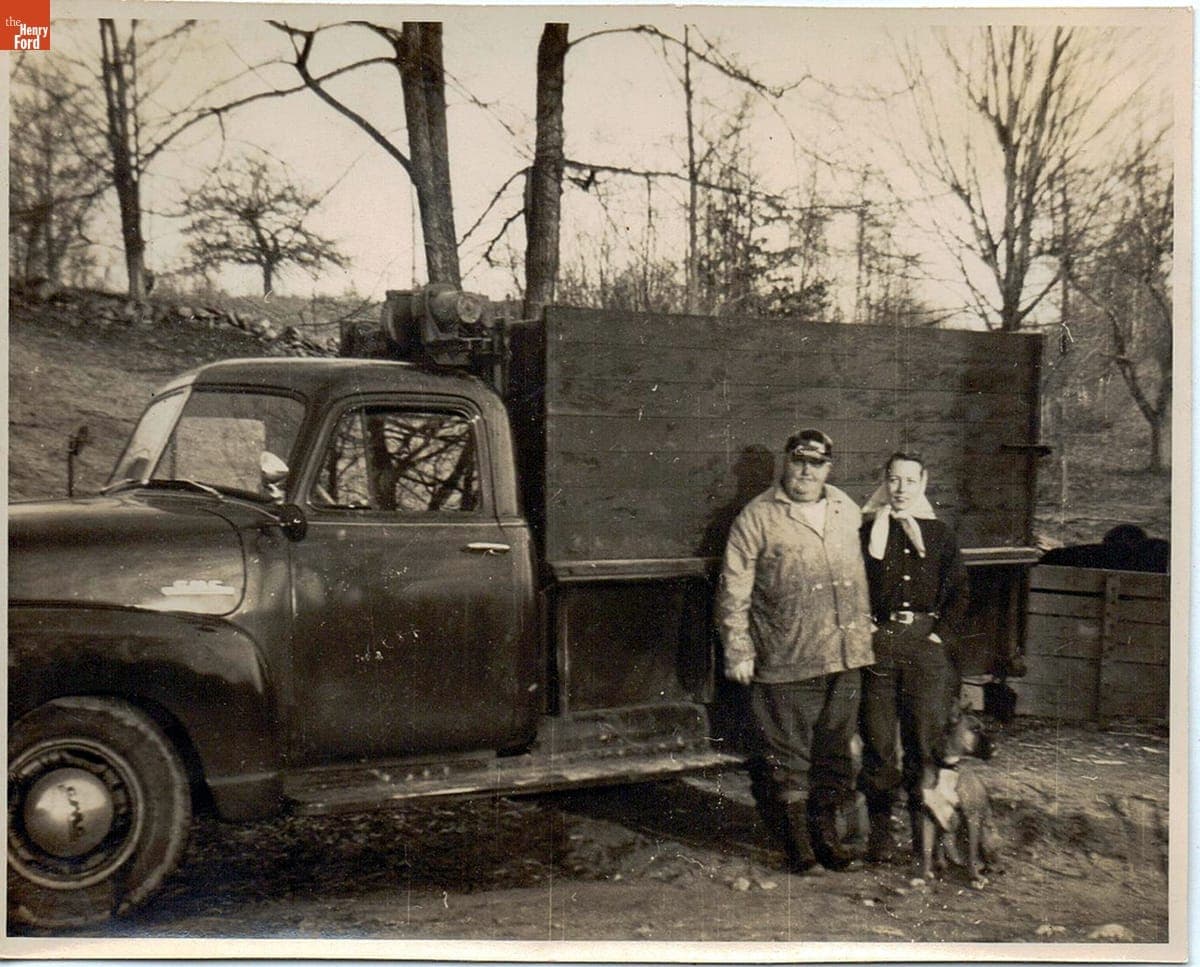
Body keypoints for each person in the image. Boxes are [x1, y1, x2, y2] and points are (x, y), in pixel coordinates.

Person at [716, 428, 875, 873]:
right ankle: (799, 848)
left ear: (829, 467)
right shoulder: (758, 517)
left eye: (817, 463)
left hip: (845, 656)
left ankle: (829, 841)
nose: (806, 471)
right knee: (789, 761)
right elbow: (734, 588)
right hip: (787, 659)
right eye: (799, 461)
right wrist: (738, 648)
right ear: (785, 462)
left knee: (835, 753)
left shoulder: (846, 508)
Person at [856, 451, 969, 864]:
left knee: (925, 743)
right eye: (893, 480)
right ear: (885, 483)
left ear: (923, 483)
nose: (900, 488)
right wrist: (866, 627)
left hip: (925, 649)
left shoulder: (940, 536)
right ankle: (881, 837)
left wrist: (938, 638)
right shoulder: (868, 532)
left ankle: (926, 839)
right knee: (879, 742)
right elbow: (851, 584)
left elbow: (959, 593)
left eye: (909, 480)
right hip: (880, 647)